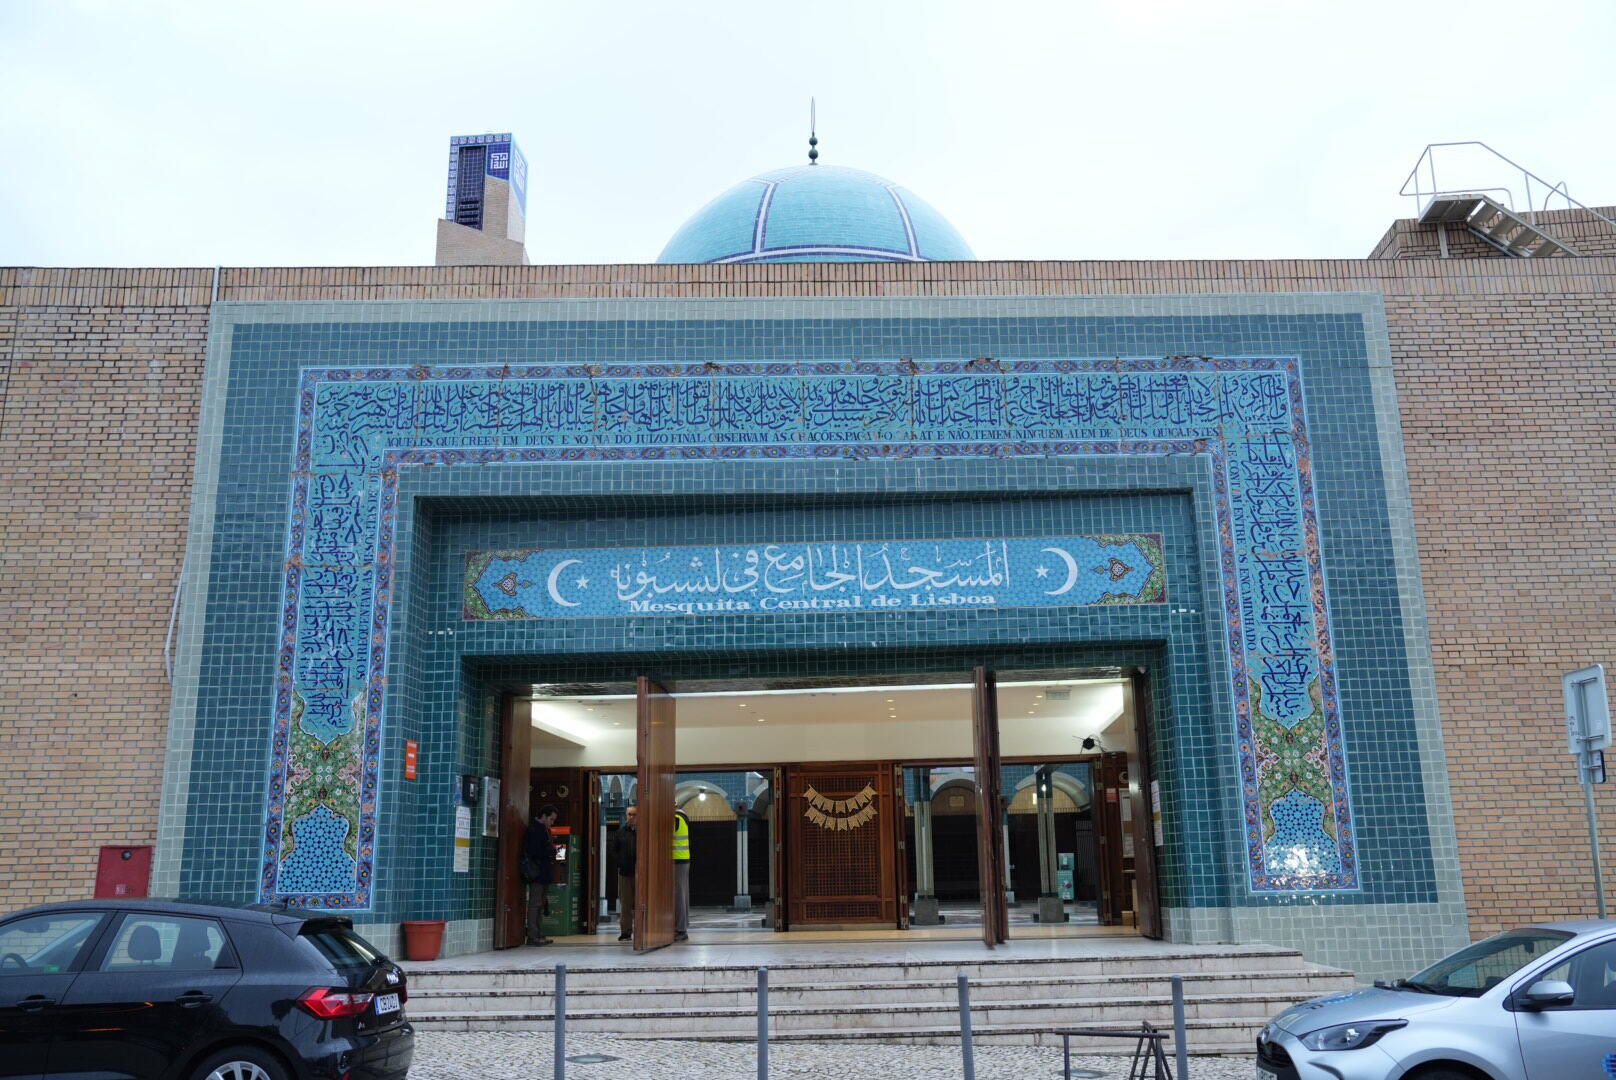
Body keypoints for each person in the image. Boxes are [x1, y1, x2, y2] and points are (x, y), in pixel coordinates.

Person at [523, 804, 560, 946]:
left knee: (540, 904)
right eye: (551, 819)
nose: (552, 822)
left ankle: (538, 933)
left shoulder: (544, 829)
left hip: (543, 872)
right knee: (535, 903)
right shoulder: (534, 829)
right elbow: (535, 851)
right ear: (543, 816)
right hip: (537, 872)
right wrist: (550, 851)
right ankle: (532, 935)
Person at [608, 804, 638, 942]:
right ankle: (626, 932)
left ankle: (642, 930)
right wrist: (620, 863)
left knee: (641, 903)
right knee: (625, 904)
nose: (631, 817)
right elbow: (613, 851)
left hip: (640, 873)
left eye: (634, 814)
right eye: (629, 814)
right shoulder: (621, 832)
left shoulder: (642, 832)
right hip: (625, 873)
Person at [672, 807, 691, 942]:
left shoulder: (676, 818)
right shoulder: (682, 817)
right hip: (682, 859)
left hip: (678, 859)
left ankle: (681, 929)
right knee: (682, 895)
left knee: (679, 896)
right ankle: (682, 926)